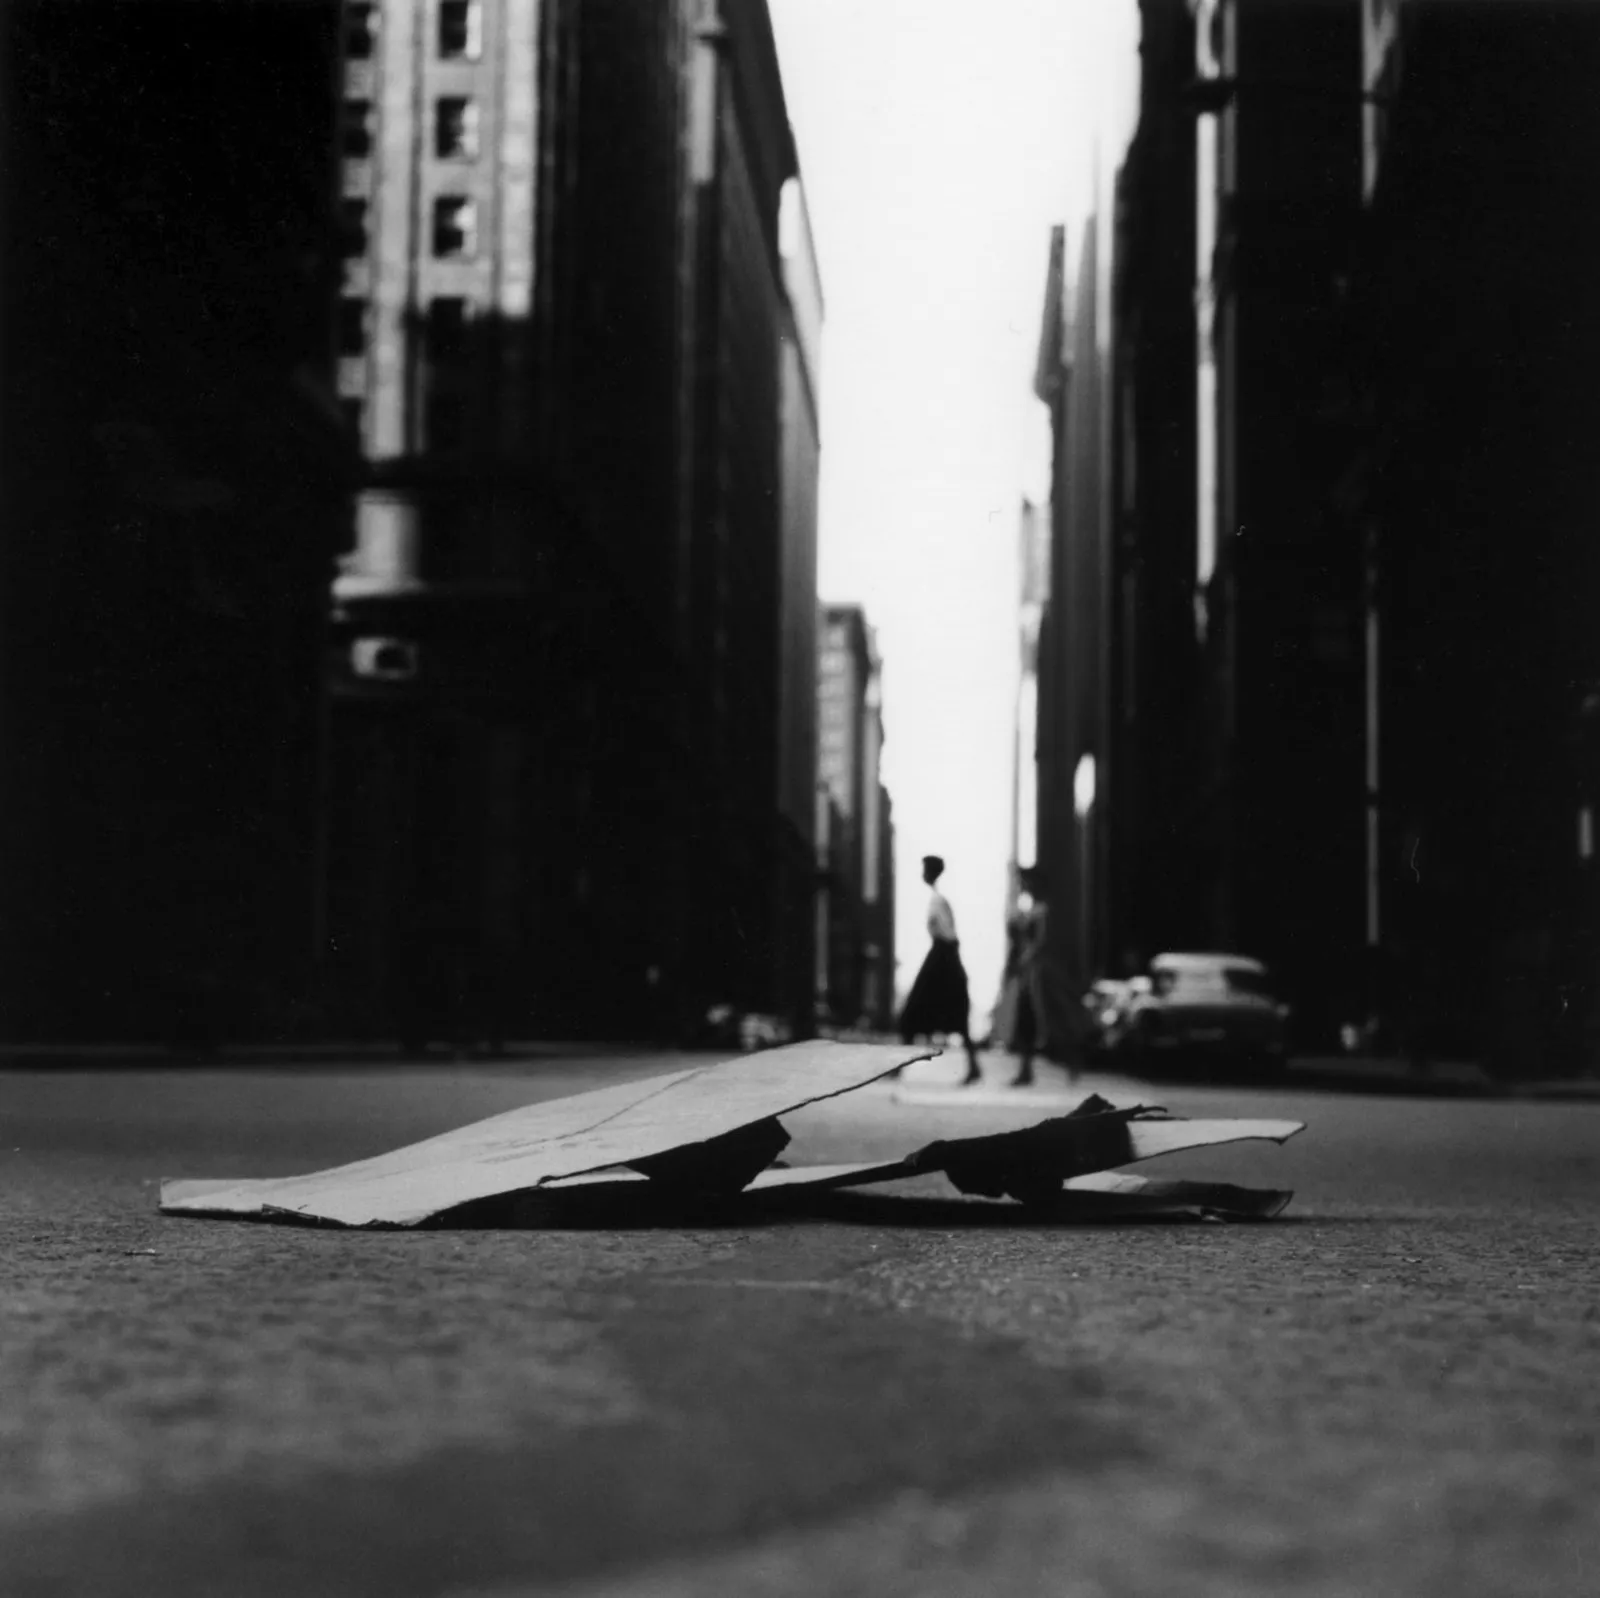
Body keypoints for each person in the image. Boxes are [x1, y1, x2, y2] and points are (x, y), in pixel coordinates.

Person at [898, 855, 982, 1085]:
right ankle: (973, 1066)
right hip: (943, 957)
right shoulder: (937, 897)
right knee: (949, 1015)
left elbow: (947, 933)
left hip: (942, 957)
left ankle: (897, 1066)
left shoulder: (938, 899)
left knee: (915, 1011)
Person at [1006, 866, 1054, 1087]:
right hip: (1026, 970)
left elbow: (1040, 941)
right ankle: (1025, 1069)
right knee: (1024, 1018)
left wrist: (1025, 959)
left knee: (1030, 1016)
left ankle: (1027, 1069)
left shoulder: (1040, 910)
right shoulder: (1028, 909)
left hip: (1034, 972)